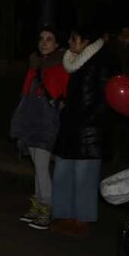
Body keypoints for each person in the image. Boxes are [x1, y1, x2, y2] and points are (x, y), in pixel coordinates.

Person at [48, 26, 115, 236]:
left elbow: (105, 98)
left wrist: (88, 120)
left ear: (86, 41)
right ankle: (65, 214)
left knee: (84, 175)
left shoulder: (101, 62)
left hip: (89, 130)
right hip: (71, 126)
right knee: (63, 172)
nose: (70, 43)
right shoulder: (76, 62)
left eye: (73, 39)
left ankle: (81, 219)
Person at [10, 27, 69, 228]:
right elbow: (25, 94)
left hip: (47, 121)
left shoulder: (61, 66)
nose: (44, 43)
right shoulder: (34, 65)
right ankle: (37, 205)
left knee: (42, 167)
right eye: (42, 39)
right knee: (37, 167)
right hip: (31, 119)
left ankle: (46, 208)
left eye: (49, 39)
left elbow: (61, 96)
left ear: (57, 44)